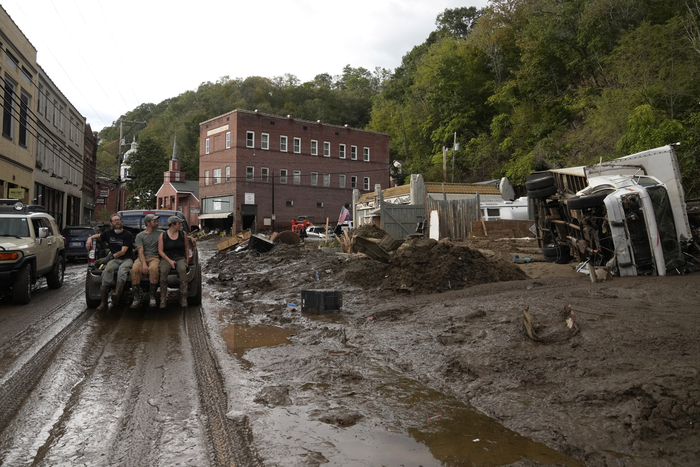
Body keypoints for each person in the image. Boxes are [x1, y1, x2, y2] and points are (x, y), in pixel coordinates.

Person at [85, 213, 134, 311]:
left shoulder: (127, 234)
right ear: (111, 224)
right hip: (115, 259)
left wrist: (108, 258)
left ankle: (116, 294)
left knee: (122, 270)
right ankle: (103, 303)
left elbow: (123, 251)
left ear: (121, 222)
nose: (117, 221)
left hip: (127, 259)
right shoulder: (108, 233)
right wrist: (89, 238)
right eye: (115, 220)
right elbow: (98, 236)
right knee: (107, 270)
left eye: (118, 220)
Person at [129, 214, 162, 308]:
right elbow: (140, 251)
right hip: (142, 257)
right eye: (154, 221)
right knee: (135, 269)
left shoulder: (160, 233)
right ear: (148, 223)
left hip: (154, 257)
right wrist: (143, 264)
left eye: (156, 221)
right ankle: (136, 298)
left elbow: (173, 234)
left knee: (154, 269)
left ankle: (152, 297)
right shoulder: (140, 236)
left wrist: (190, 238)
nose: (157, 223)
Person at [158, 215, 190, 308]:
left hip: (179, 257)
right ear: (172, 224)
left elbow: (186, 247)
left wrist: (187, 259)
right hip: (166, 257)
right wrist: (170, 261)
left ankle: (183, 297)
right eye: (179, 223)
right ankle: (163, 298)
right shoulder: (163, 235)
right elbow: (160, 251)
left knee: (183, 270)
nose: (180, 225)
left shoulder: (182, 234)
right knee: (163, 272)